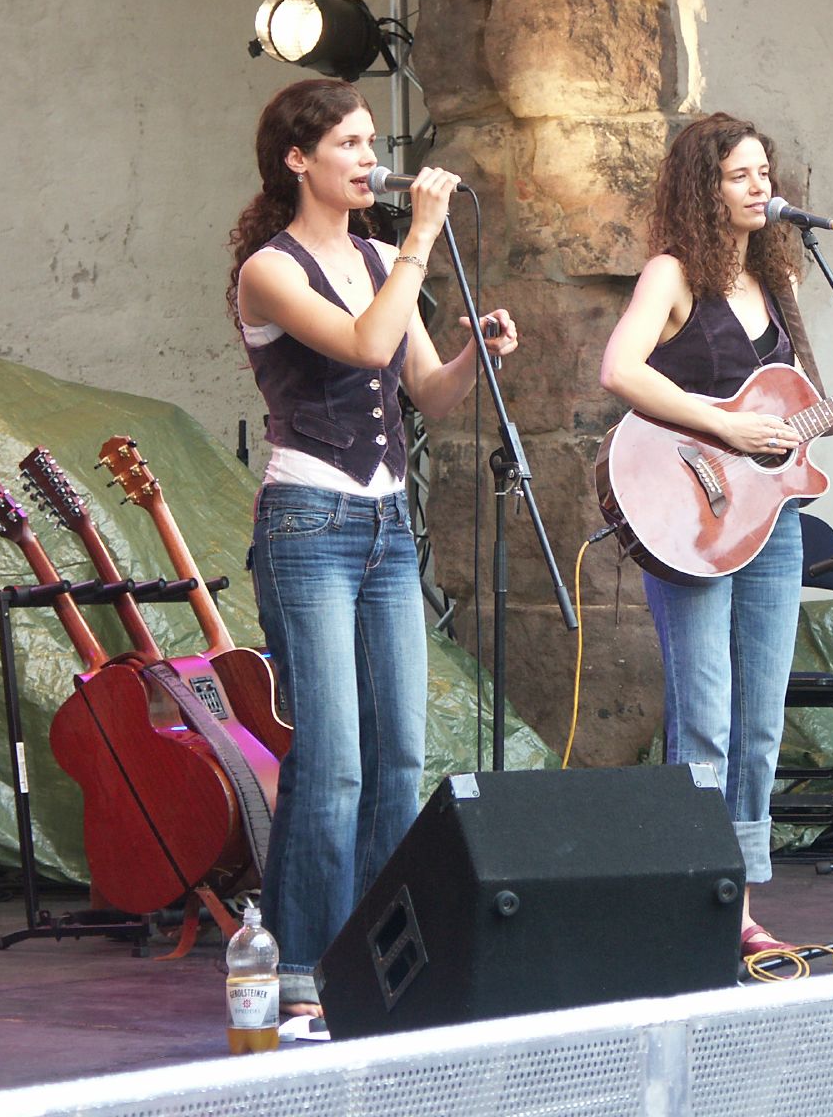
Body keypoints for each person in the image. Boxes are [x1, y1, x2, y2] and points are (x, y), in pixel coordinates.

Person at [227, 78, 517, 1015]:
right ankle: (305, 962)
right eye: (348, 144)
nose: (369, 158)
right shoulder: (268, 269)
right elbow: (361, 346)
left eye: (370, 141)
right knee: (334, 759)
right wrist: (423, 244)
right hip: (309, 519)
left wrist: (477, 354)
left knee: (400, 755)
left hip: (389, 525)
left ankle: (384, 957)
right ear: (297, 160)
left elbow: (423, 394)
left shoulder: (383, 254)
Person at [599, 113, 833, 954]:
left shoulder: (781, 284)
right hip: (688, 519)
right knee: (702, 716)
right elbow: (620, 370)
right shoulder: (672, 275)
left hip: (772, 522)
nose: (759, 187)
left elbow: (790, 424)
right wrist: (725, 429)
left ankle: (735, 895)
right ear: (703, 187)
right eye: (740, 175)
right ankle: (698, 895)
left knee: (760, 720)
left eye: (763, 173)